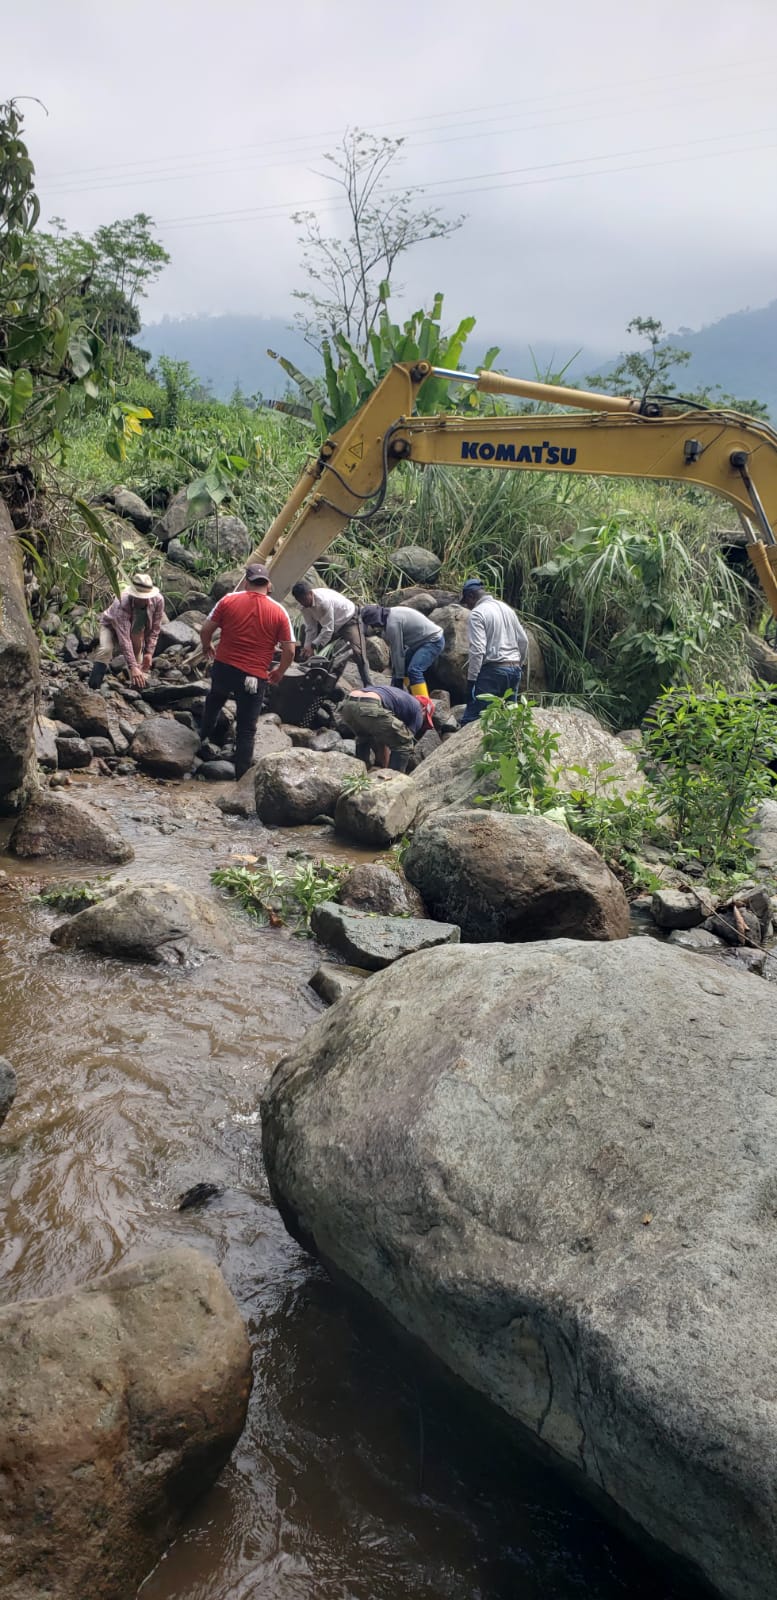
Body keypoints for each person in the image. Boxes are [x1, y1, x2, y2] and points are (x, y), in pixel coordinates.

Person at [199, 562, 295, 778]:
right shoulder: (279, 611)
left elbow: (205, 630)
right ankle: (241, 778)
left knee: (214, 701)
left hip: (224, 667)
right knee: (246, 728)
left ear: (246, 583)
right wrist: (280, 671)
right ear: (268, 585)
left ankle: (201, 740)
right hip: (253, 677)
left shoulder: (228, 600)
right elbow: (290, 650)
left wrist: (207, 646)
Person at [460, 577, 529, 724]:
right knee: (508, 720)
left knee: (473, 720)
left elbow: (478, 650)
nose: (468, 606)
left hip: (492, 673)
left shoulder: (478, 613)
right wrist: (519, 664)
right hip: (514, 670)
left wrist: (471, 682)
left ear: (471, 596)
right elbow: (523, 641)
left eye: (466, 602)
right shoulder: (507, 609)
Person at [88, 571, 165, 690]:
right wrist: (132, 666)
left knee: (138, 657)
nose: (143, 600)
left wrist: (149, 653)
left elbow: (155, 629)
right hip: (110, 625)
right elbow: (125, 639)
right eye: (139, 597)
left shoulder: (158, 600)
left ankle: (136, 688)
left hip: (137, 626)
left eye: (145, 597)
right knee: (106, 650)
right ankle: (93, 686)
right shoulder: (122, 602)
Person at [290, 580, 370, 686]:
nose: (303, 603)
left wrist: (313, 645)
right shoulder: (303, 606)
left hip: (348, 619)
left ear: (310, 593)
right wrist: (307, 646)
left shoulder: (323, 601)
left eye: (304, 599)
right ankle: (312, 678)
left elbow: (328, 629)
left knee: (358, 652)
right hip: (328, 622)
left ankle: (368, 684)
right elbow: (311, 627)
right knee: (308, 644)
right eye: (300, 601)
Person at [360, 604, 444, 699]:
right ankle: (401, 696)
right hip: (420, 642)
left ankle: (424, 704)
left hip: (433, 641)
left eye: (372, 625)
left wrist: (399, 678)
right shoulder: (389, 613)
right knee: (403, 667)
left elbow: (398, 653)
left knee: (414, 670)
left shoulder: (392, 625)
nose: (373, 627)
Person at [339, 683, 429, 771]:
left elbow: (383, 735)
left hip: (348, 703)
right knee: (404, 744)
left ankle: (360, 771)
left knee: (365, 736)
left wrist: (383, 765)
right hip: (369, 705)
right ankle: (394, 778)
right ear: (424, 709)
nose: (422, 722)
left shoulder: (399, 698)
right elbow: (404, 739)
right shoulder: (418, 710)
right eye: (425, 719)